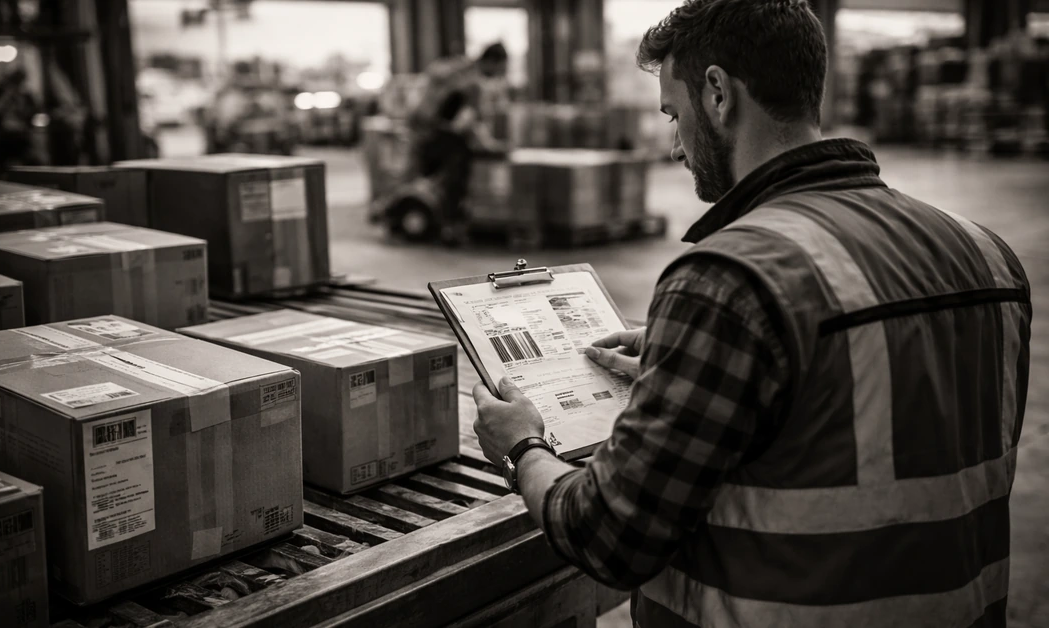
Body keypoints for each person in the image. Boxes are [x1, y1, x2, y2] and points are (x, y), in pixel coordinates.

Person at [471, 1, 1031, 627]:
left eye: (673, 115)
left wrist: (520, 444)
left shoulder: (729, 278)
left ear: (717, 94)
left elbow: (610, 535)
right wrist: (701, 359)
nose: (676, 146)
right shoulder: (987, 254)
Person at [408, 43, 509, 244]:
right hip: (437, 136)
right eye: (499, 68)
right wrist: (490, 146)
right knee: (459, 167)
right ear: (491, 62)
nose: (499, 74)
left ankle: (447, 218)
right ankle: (450, 226)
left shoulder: (459, 70)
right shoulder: (471, 82)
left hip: (425, 133)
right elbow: (467, 122)